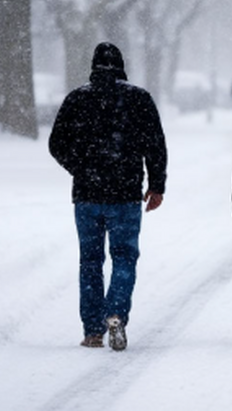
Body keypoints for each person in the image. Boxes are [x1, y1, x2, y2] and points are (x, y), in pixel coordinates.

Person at [49, 42, 167, 352]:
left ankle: (92, 330)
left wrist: (80, 167)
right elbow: (156, 145)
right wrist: (157, 185)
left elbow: (56, 143)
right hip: (125, 194)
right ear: (122, 65)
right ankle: (115, 312)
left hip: (87, 195)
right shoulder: (138, 99)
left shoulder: (77, 99)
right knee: (124, 257)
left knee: (90, 261)